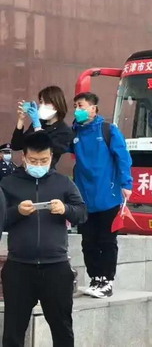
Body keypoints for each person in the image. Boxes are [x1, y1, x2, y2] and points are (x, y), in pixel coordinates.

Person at [0, 131, 86, 347]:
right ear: (24, 157)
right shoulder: (8, 184)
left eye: (43, 160)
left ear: (51, 158)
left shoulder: (63, 183)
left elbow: (82, 213)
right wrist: (17, 211)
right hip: (19, 267)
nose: (38, 164)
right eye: (34, 160)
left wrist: (65, 209)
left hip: (56, 267)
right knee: (13, 331)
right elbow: (1, 220)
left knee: (62, 328)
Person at [71, 92, 133, 299]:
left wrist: (126, 183)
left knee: (106, 240)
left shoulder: (108, 130)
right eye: (75, 106)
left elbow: (123, 157)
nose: (77, 110)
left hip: (108, 196)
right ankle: (95, 278)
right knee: (88, 242)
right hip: (84, 198)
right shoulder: (75, 132)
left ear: (93, 108)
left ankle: (107, 280)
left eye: (81, 106)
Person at [11, 86, 73, 168]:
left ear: (57, 104)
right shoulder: (39, 123)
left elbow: (45, 148)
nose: (41, 106)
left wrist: (37, 127)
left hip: (45, 171)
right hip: (26, 168)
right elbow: (16, 145)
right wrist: (21, 120)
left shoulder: (64, 131)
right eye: (41, 102)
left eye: (46, 102)